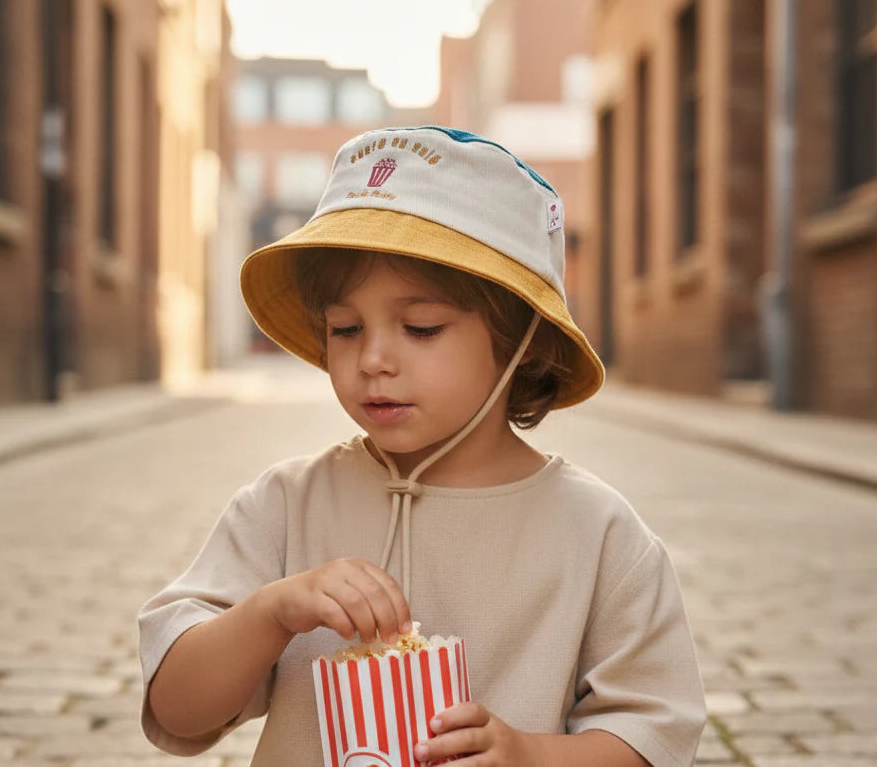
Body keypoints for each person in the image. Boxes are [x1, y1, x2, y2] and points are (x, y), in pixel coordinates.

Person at [138, 126, 707, 766]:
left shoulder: (598, 534)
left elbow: (653, 737)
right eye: (345, 328)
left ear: (526, 339)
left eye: (421, 327)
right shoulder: (284, 506)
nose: (373, 359)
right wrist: (271, 613)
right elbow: (176, 707)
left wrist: (529, 755)